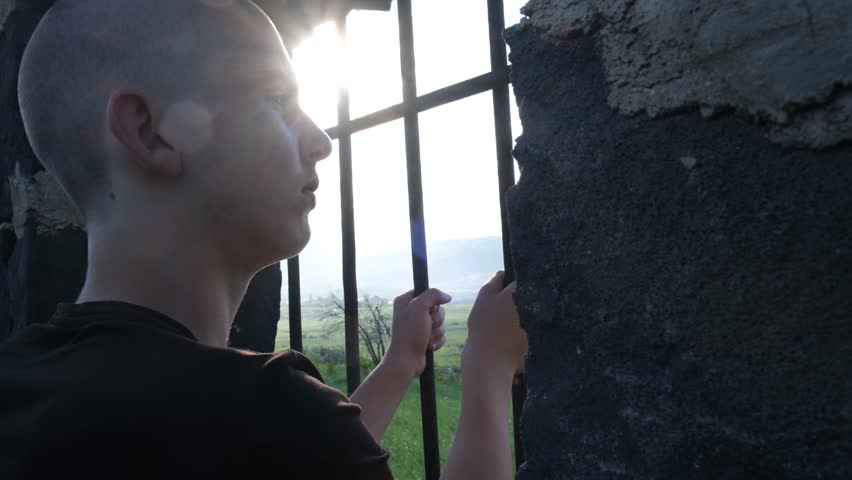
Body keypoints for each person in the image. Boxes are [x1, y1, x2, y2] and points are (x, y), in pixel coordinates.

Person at [0, 1, 528, 478]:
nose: (320, 142)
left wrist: (399, 365)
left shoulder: (22, 383)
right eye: (278, 100)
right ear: (150, 130)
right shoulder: (270, 416)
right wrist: (489, 362)